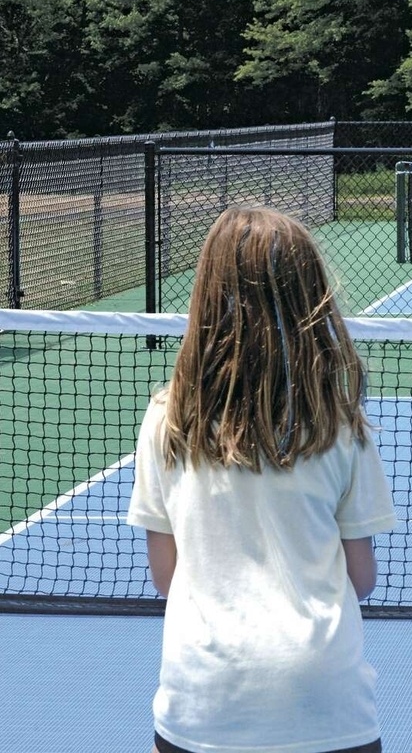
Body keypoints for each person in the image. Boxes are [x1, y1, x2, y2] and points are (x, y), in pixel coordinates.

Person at [126, 206, 397, 753]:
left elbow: (165, 575)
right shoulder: (342, 424)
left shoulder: (166, 419)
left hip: (202, 703)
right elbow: (361, 578)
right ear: (308, 297)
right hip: (325, 705)